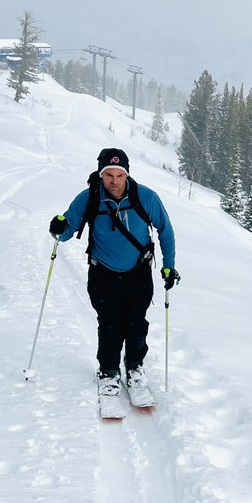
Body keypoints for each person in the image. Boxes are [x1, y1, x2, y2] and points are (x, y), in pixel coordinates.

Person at [48, 147, 179, 398]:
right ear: (101, 175)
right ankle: (108, 372)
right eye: (109, 175)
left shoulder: (146, 197)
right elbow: (64, 231)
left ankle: (134, 368)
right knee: (109, 324)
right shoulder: (88, 198)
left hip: (138, 272)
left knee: (136, 324)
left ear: (127, 174)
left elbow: (166, 230)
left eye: (119, 175)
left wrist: (169, 266)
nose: (114, 182)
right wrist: (58, 227)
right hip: (103, 273)